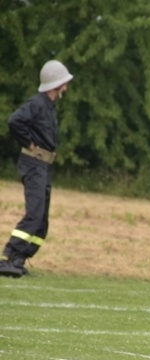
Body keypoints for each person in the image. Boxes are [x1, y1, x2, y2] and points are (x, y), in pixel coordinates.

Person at [0, 59, 73, 278]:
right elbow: (15, 121)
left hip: (43, 166)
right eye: (64, 82)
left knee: (42, 221)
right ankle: (6, 258)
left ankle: (21, 259)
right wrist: (28, 143)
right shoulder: (38, 103)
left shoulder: (49, 106)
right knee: (34, 215)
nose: (66, 87)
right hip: (33, 164)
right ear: (56, 84)